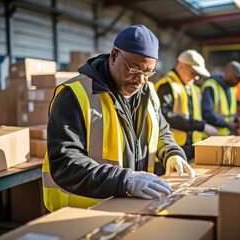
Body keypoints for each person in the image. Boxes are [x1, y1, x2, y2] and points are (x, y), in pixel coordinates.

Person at [42, 24, 195, 212]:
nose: (141, 80)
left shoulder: (148, 93)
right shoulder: (74, 95)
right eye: (135, 69)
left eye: (148, 72)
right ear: (114, 56)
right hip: (80, 209)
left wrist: (172, 153)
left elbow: (161, 132)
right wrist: (125, 180)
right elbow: (65, 162)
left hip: (126, 204)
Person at [155, 49, 218, 161]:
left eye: (198, 74)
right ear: (181, 66)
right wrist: (201, 126)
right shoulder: (166, 86)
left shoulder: (193, 88)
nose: (196, 78)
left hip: (191, 148)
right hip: (171, 150)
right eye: (193, 73)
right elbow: (165, 116)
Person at [201, 61, 240, 135]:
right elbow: (207, 113)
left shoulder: (232, 88)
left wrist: (237, 120)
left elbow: (229, 113)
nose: (239, 81)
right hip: (212, 137)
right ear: (229, 73)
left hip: (226, 134)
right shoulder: (210, 86)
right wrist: (227, 124)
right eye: (237, 78)